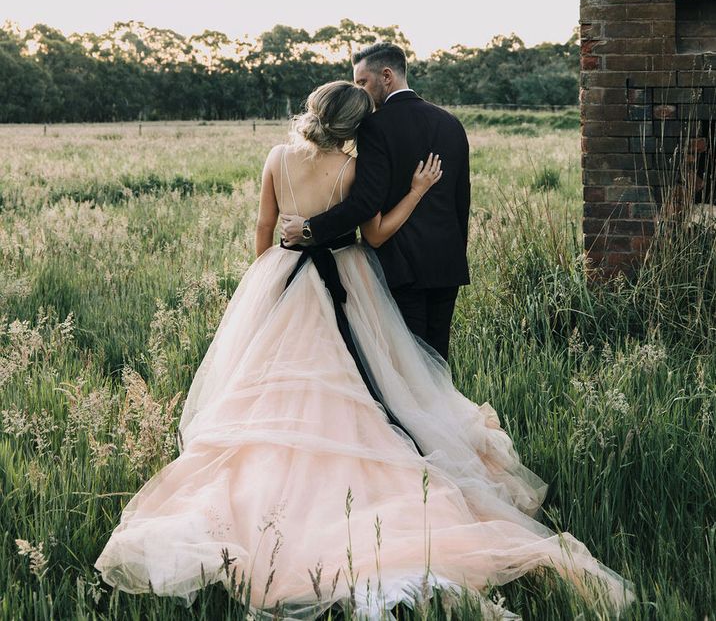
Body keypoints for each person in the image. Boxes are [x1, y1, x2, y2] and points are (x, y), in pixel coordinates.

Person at [94, 81, 636, 618]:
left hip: (281, 277)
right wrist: (418, 191)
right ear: (355, 124)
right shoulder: (352, 169)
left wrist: (266, 284)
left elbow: (263, 227)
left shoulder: (277, 158)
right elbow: (374, 236)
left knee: (268, 389)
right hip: (345, 280)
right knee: (364, 384)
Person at [282, 43, 470, 362]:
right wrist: (454, 253)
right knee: (438, 361)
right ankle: (443, 412)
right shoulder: (450, 123)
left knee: (405, 365)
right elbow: (460, 202)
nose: (360, 92)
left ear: (386, 76)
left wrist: (311, 229)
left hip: (399, 267)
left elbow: (365, 203)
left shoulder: (375, 127)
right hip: (445, 263)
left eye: (362, 82)